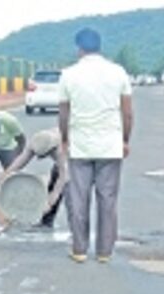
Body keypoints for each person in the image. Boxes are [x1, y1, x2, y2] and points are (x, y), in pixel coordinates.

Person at [58, 28, 134, 264]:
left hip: (80, 145)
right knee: (107, 199)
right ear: (100, 47)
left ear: (79, 48)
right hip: (110, 145)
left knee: (79, 198)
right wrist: (125, 140)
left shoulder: (69, 75)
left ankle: (80, 250)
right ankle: (104, 252)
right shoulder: (118, 72)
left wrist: (65, 138)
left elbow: (63, 113)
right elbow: (128, 113)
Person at [0, 129, 68, 228]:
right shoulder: (36, 142)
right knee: (51, 186)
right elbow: (21, 161)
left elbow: (64, 176)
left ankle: (77, 226)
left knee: (65, 186)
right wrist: (3, 177)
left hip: (77, 160)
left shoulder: (60, 150)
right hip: (63, 162)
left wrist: (51, 201)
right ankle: (46, 221)